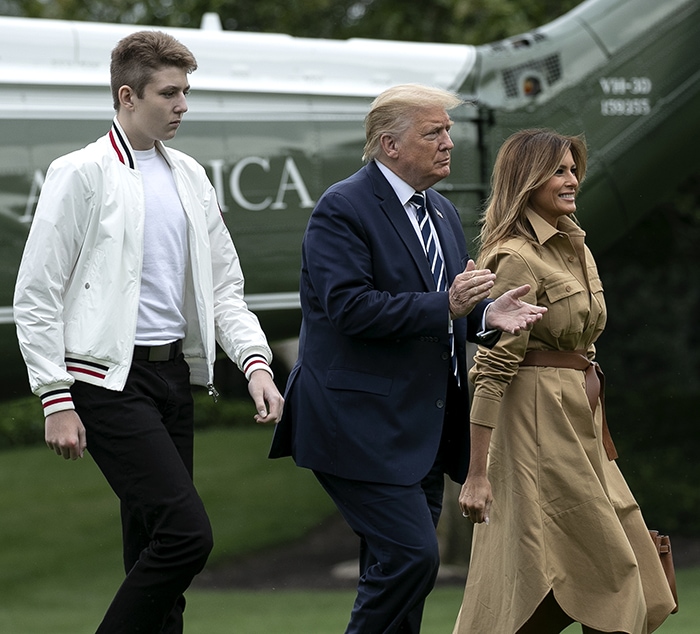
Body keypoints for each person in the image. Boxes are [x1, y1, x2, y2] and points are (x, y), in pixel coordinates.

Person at [13, 30, 283, 634]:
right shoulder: (78, 172)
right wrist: (55, 398)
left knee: (154, 553)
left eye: (186, 91)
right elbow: (36, 296)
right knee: (187, 536)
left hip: (172, 379)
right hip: (105, 382)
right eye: (170, 92)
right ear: (128, 95)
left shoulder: (190, 176)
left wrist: (256, 363)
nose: (183, 104)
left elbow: (223, 290)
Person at [269, 84, 546, 634]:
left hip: (421, 428)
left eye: (448, 131)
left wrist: (484, 317)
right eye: (433, 133)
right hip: (355, 425)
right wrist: (450, 305)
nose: (448, 143)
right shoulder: (342, 207)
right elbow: (350, 308)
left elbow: (446, 309)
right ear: (389, 145)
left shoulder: (439, 210)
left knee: (399, 574)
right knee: (412, 559)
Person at [453, 129, 677, 634]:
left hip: (580, 417)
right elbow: (491, 367)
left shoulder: (575, 246)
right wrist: (478, 471)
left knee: (613, 563)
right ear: (527, 179)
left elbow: (583, 346)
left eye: (573, 168)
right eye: (558, 170)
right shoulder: (513, 256)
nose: (572, 179)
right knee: (608, 566)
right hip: (535, 422)